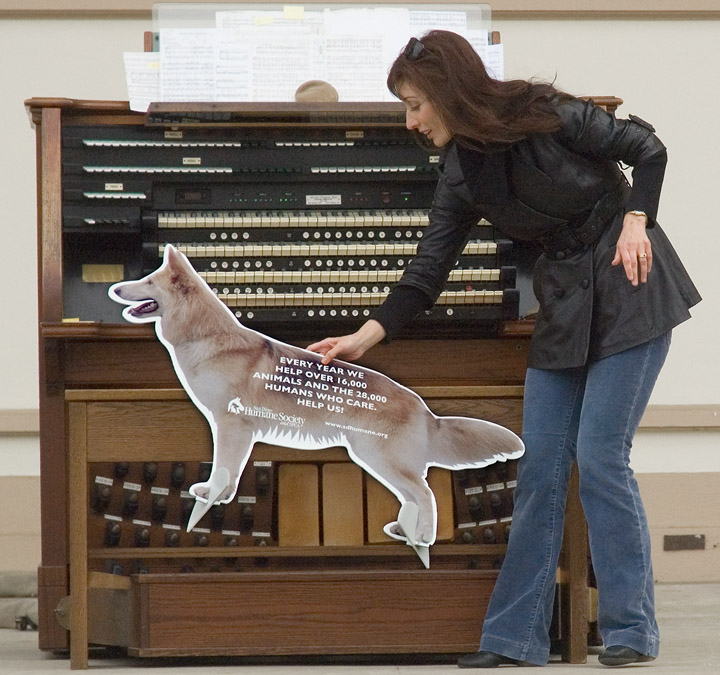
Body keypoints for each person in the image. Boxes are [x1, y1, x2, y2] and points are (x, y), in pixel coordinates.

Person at [307, 30, 700, 668]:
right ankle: (516, 640)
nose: (409, 121)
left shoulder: (547, 112)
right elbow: (428, 269)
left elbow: (647, 148)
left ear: (445, 91)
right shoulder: (463, 170)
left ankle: (631, 629)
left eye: (413, 104)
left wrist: (638, 222)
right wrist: (365, 335)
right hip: (567, 303)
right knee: (540, 467)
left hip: (631, 288)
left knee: (600, 459)